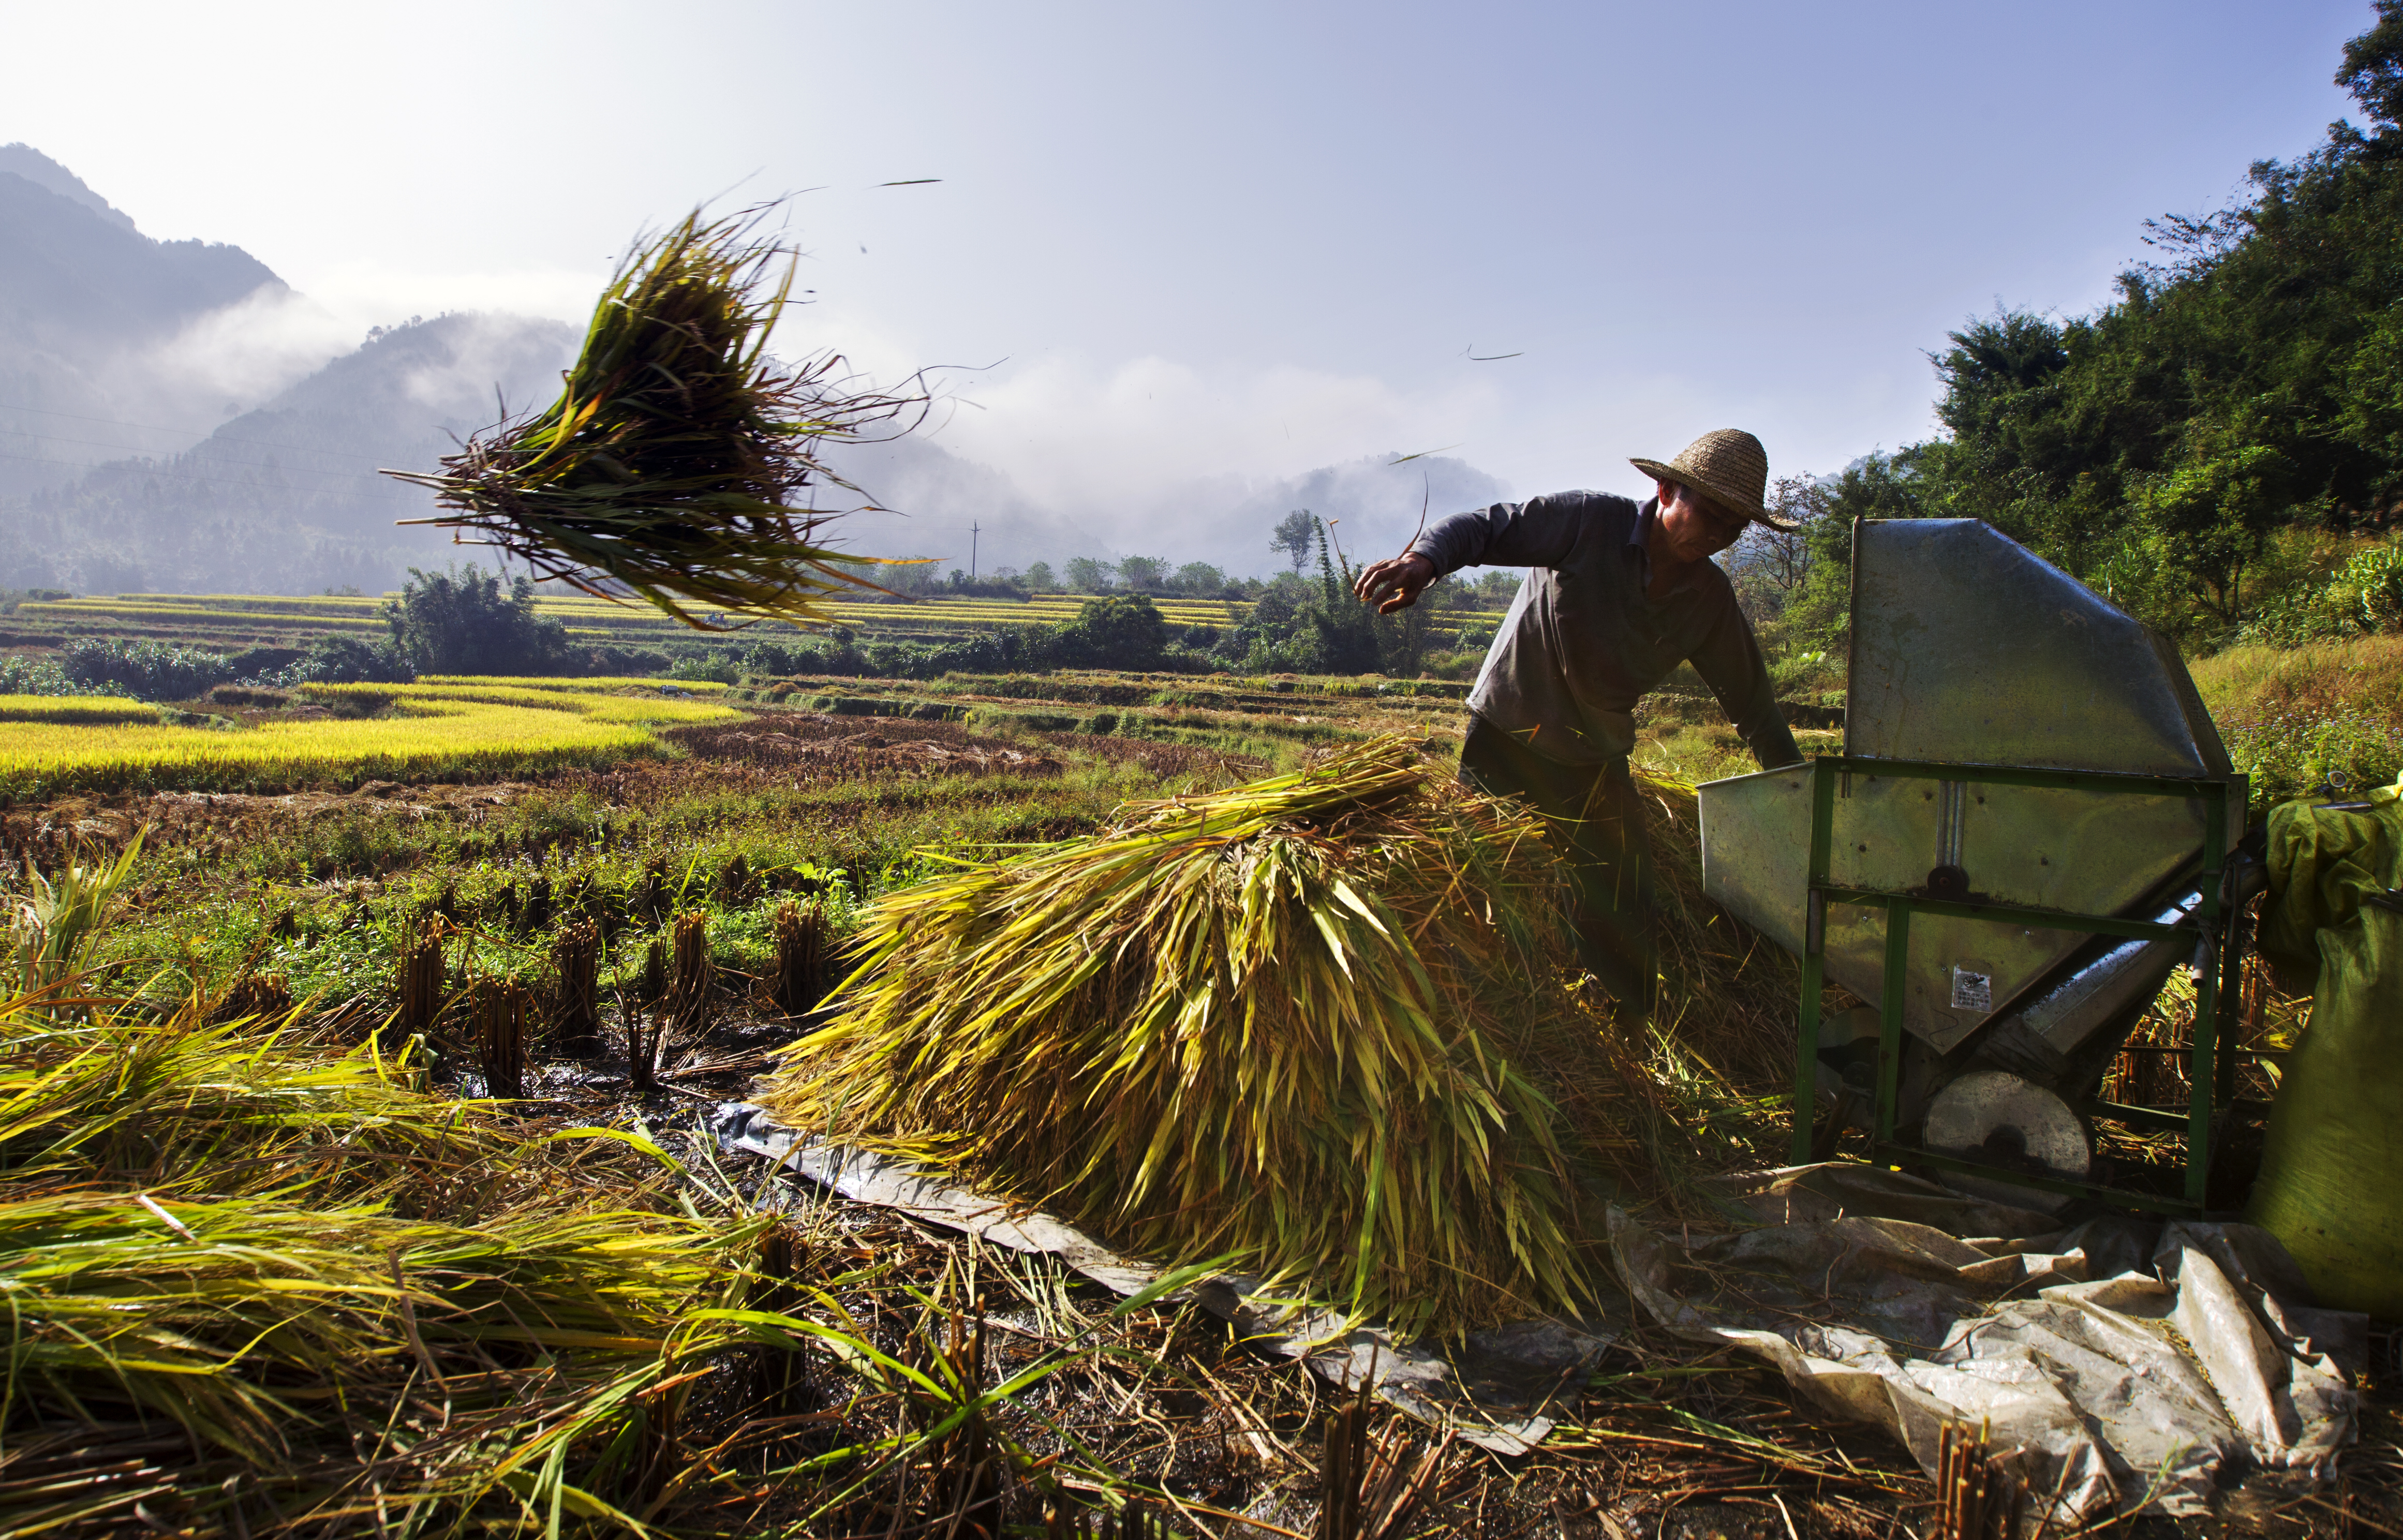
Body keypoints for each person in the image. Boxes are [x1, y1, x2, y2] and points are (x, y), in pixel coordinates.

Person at [1352, 428, 1803, 1017]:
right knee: (1482, 890)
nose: (1719, 533)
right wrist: (1425, 561)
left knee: (1626, 911)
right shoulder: (1590, 523)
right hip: (1507, 739)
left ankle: (1629, 1045)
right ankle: (1479, 1022)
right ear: (1666, 490)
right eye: (1712, 513)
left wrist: (1800, 795)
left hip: (1595, 757)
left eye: (1735, 526)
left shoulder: (1709, 599)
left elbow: (1752, 706)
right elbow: (1485, 527)